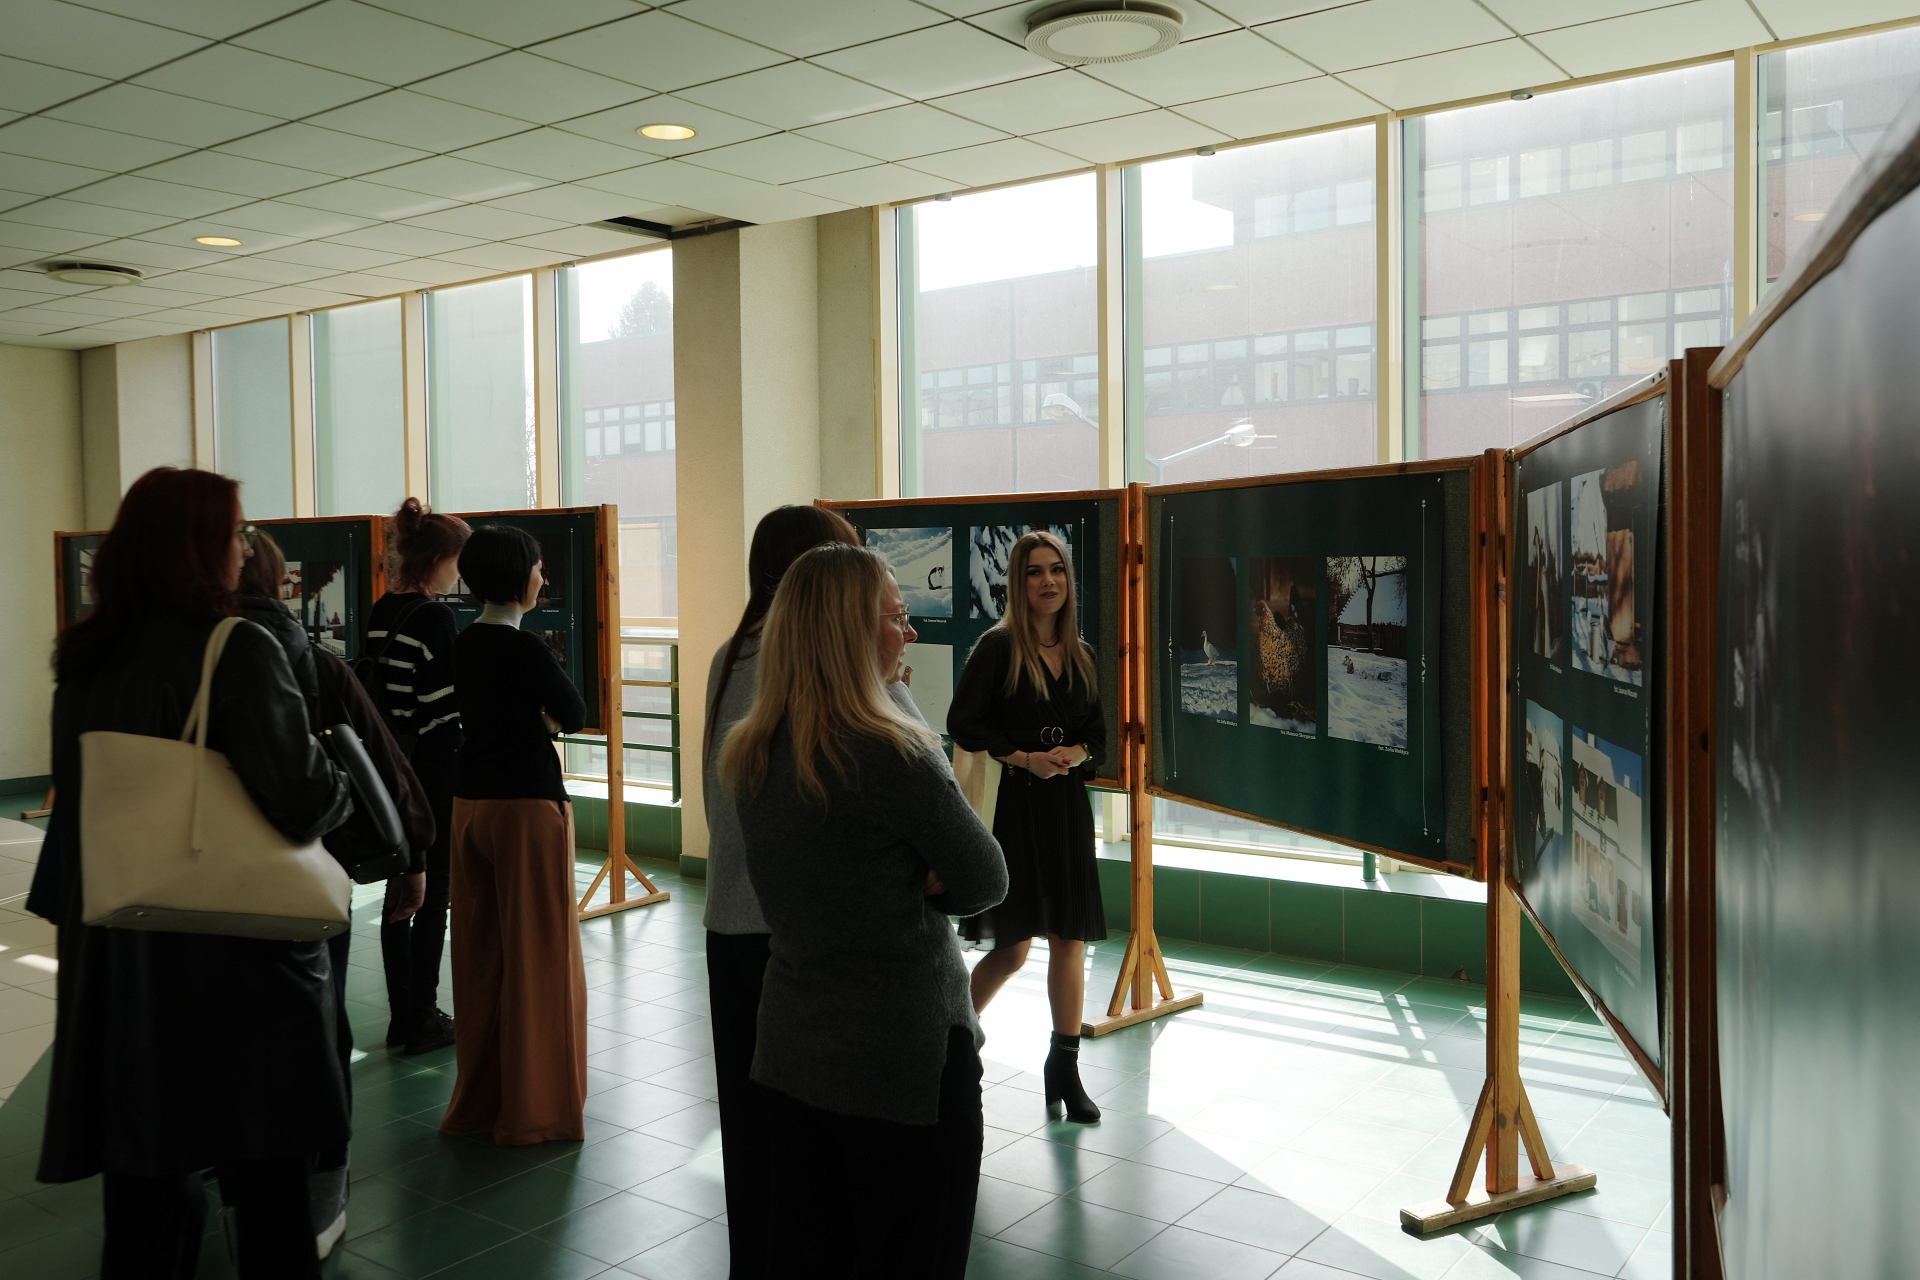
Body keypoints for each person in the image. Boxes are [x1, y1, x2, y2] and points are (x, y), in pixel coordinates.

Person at [28, 467, 353, 1279]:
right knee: (268, 1189)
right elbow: (301, 800)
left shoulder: (86, 655)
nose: (245, 548)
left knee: (147, 1192)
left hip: (124, 948)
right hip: (236, 958)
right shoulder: (235, 647)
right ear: (203, 544)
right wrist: (342, 780)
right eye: (237, 531)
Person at [721, 543, 1007, 1280]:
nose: (909, 632)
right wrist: (927, 876)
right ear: (850, 631)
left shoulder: (752, 749)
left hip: (795, 1046)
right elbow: (986, 877)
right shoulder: (890, 753)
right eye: (897, 616)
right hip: (903, 1058)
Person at [236, 528, 432, 1257]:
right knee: (319, 1015)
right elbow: (379, 760)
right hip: (307, 875)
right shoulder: (309, 661)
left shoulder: (183, 659)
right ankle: (324, 1164)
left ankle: (240, 1163)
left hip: (205, 881)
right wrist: (412, 854)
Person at [700, 503, 860, 1278]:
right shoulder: (806, 668)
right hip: (789, 934)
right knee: (806, 1140)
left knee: (751, 1132)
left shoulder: (730, 654)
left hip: (730, 919)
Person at [948, 529, 1109, 1124]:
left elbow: (1098, 733)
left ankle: (1064, 1067)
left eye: (1057, 570)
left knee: (1070, 938)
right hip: (1013, 809)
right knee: (1013, 949)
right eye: (1036, 572)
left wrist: (1077, 752)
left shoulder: (1081, 654)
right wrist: (1023, 758)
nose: (1048, 582)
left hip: (1065, 808)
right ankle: (950, 1037)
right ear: (1018, 583)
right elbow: (964, 724)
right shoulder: (997, 648)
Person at [438, 524, 589, 1146]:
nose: (542, 576)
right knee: (539, 956)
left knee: (482, 957)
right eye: (537, 567)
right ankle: (536, 1110)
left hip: (470, 804)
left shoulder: (464, 641)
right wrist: (538, 721)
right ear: (519, 576)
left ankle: (480, 1102)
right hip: (527, 806)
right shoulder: (526, 649)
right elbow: (574, 713)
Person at [364, 498, 469, 1055]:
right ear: (438, 561)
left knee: (399, 888)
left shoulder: (384, 608)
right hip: (430, 772)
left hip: (389, 767)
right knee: (433, 893)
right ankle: (422, 1015)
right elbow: (441, 715)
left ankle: (401, 1015)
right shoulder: (434, 617)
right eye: (458, 560)